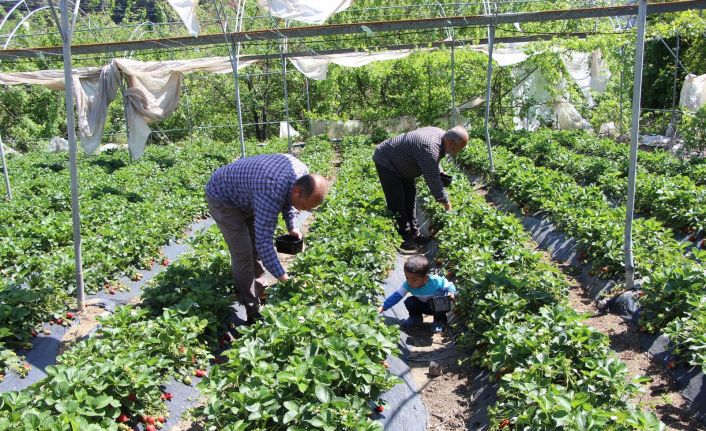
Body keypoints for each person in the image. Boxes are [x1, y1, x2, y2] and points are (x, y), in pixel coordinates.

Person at [205, 153, 329, 324]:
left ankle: (259, 290)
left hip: (248, 193)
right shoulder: (270, 190)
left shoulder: (301, 173)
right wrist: (284, 279)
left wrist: (292, 226)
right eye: (305, 206)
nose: (304, 211)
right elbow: (265, 243)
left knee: (254, 249)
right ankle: (252, 308)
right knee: (243, 254)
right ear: (298, 191)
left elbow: (288, 198)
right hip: (224, 198)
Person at [373, 126, 469, 250]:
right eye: (458, 148)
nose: (458, 152)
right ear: (450, 142)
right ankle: (405, 237)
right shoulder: (429, 147)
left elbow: (433, 161)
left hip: (404, 163)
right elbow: (433, 182)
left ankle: (414, 233)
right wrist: (447, 205)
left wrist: (440, 170)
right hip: (387, 161)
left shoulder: (441, 136)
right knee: (397, 201)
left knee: (410, 197)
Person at [378, 255, 457, 333]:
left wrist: (451, 292)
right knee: (410, 301)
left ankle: (440, 321)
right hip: (423, 305)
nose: (409, 282)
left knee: (440, 301)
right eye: (407, 278)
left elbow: (450, 285)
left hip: (437, 307)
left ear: (425, 278)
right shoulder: (408, 285)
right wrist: (383, 307)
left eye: (414, 280)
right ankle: (415, 317)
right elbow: (397, 295)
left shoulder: (436, 282)